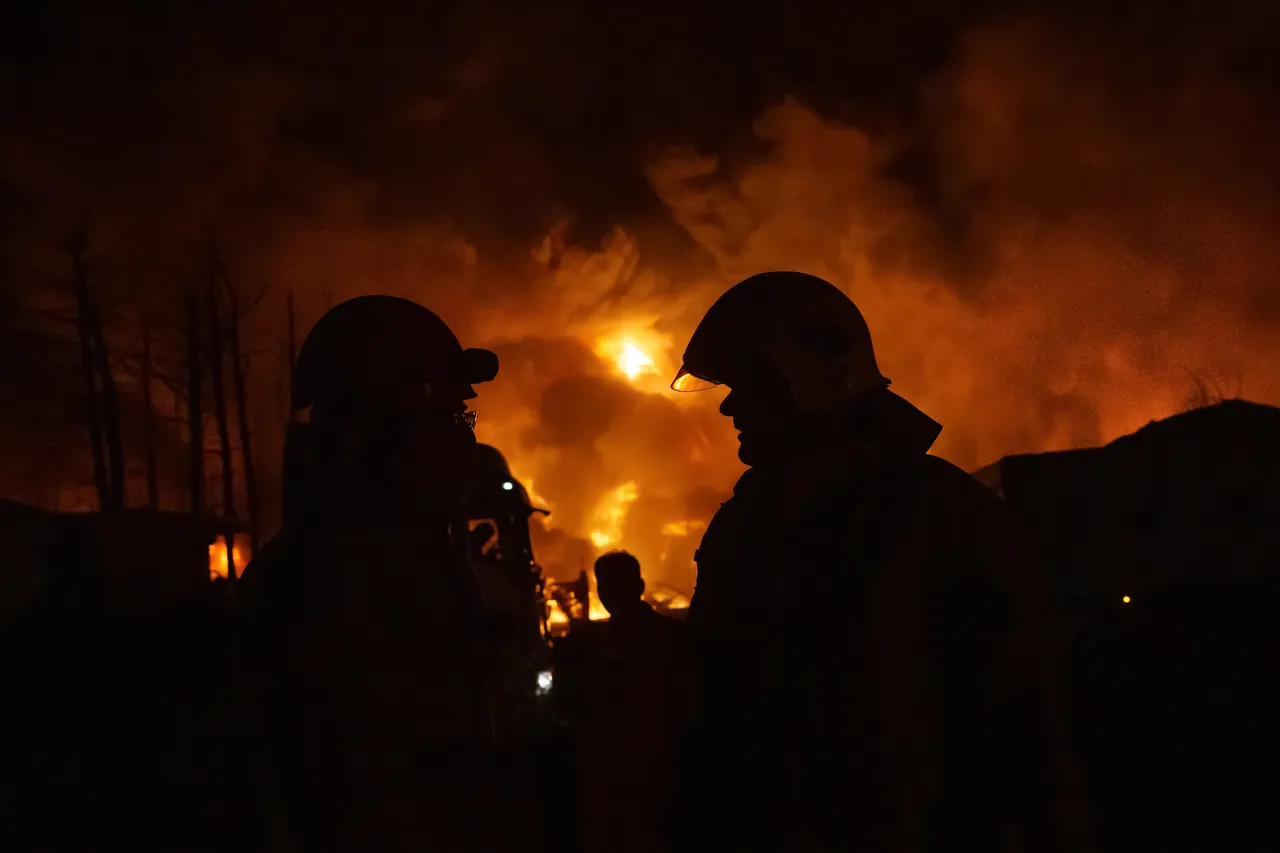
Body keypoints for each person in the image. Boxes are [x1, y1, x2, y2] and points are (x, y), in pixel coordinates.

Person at [670, 272, 1091, 852]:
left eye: (750, 384)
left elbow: (1024, 716)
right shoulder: (749, 524)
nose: (730, 407)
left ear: (813, 378)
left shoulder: (937, 512)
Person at [232, 295, 502, 851]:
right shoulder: (345, 579)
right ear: (380, 432)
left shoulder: (389, 555)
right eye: (451, 418)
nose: (467, 438)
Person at [555, 552, 690, 853]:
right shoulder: (672, 636)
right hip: (635, 775)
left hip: (644, 774)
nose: (611, 593)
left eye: (617, 584)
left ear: (638, 586)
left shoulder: (586, 645)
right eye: (607, 586)